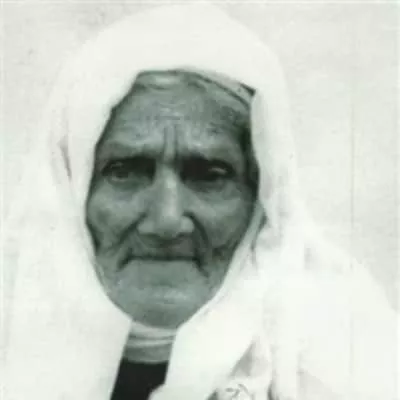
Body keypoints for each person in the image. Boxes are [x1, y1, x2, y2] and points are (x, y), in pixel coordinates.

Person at [4, 4, 397, 400]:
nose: (166, 220)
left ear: (260, 201)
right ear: (72, 189)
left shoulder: (351, 362)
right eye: (124, 171)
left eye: (209, 175)